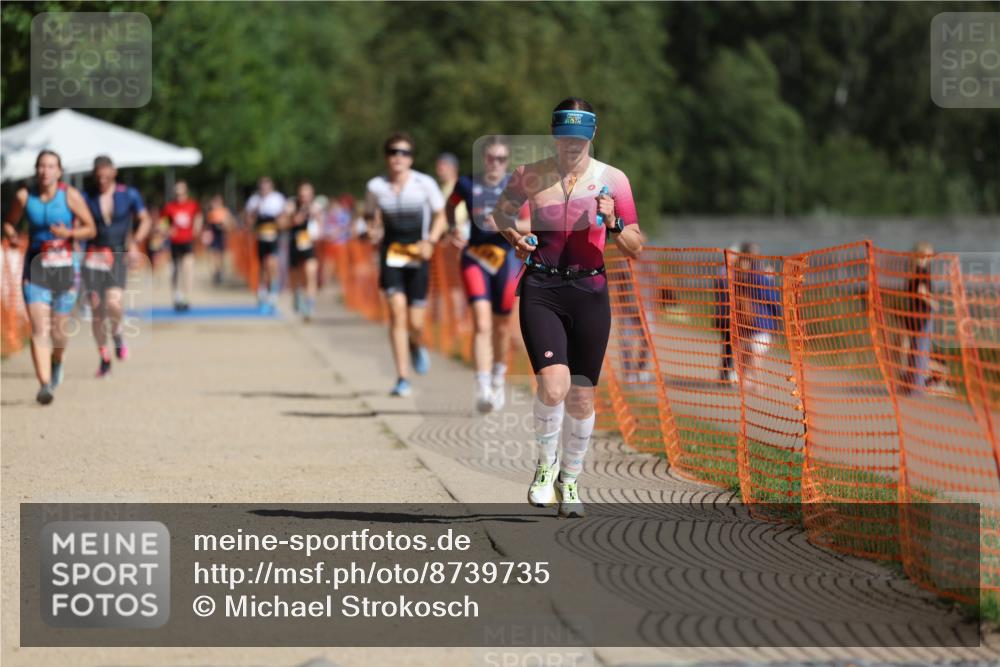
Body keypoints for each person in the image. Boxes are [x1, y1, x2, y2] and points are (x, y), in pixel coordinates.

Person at [491, 98, 645, 518]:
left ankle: (571, 478)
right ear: (554, 135)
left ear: (591, 135)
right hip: (542, 287)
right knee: (554, 386)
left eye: (578, 137)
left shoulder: (613, 180)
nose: (571, 145)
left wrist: (613, 222)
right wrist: (514, 240)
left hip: (590, 291)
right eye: (564, 137)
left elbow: (635, 247)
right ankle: (545, 469)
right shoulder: (530, 174)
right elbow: (500, 214)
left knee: (580, 398)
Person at [2, 150, 96, 404]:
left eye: (51, 166)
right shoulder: (24, 196)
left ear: (59, 171)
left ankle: (57, 360)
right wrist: (12, 234)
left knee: (59, 331)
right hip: (35, 268)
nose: (46, 171)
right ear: (36, 169)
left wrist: (69, 232)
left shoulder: (70, 196)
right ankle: (44, 385)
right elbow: (9, 222)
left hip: (65, 268)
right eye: (41, 166)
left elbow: (91, 228)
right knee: (38, 327)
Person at [447, 136, 529, 413]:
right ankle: (482, 386)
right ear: (484, 159)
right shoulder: (467, 183)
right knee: (481, 323)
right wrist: (452, 229)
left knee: (502, 325)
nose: (496, 163)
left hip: (506, 259)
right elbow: (450, 205)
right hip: (475, 258)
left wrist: (507, 223)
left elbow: (533, 221)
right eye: (492, 158)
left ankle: (497, 376)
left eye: (502, 159)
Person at [366, 132, 448, 397]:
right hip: (391, 256)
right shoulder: (375, 186)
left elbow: (441, 216)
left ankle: (416, 344)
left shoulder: (424, 183)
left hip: (417, 255)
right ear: (386, 156)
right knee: (396, 311)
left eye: (404, 153)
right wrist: (373, 229)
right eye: (393, 152)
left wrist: (431, 241)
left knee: (415, 322)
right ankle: (402, 377)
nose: (398, 157)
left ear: (411, 158)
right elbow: (370, 215)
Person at [81, 156, 152, 377]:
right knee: (96, 307)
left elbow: (145, 219)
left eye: (106, 175)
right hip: (93, 254)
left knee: (113, 302)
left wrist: (135, 242)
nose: (102, 180)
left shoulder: (128, 194)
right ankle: (104, 357)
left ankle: (118, 333)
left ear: (114, 172)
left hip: (118, 253)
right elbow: (78, 223)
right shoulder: (87, 196)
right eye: (98, 176)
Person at [732, 241, 782, 391]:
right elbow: (772, 298)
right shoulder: (759, 276)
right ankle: (757, 382)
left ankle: (745, 378)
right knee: (756, 354)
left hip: (745, 320)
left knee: (749, 352)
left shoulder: (738, 274)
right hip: (761, 321)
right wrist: (779, 317)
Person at [243, 177, 287, 312]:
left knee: (272, 263)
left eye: (267, 187)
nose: (265, 189)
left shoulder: (278, 199)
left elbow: (283, 221)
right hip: (260, 237)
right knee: (262, 265)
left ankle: (273, 289)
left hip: (273, 237)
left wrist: (278, 224)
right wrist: (255, 213)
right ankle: (262, 290)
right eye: (262, 187)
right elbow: (248, 221)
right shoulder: (254, 201)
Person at [900, 241, 937, 395]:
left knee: (914, 351)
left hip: (913, 314)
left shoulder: (912, 271)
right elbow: (921, 292)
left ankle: (911, 385)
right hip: (922, 315)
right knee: (921, 350)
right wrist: (933, 302)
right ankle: (917, 387)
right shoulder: (922, 271)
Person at [280, 181, 320, 320]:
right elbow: (281, 223)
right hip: (294, 244)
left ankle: (310, 305)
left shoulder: (316, 207)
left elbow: (321, 228)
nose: (305, 198)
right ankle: (296, 296)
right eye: (302, 195)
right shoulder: (291, 205)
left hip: (308, 244)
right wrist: (292, 220)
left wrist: (317, 219)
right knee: (296, 277)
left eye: (308, 195)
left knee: (311, 274)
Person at [160, 180, 202, 311]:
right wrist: (167, 230)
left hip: (187, 240)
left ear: (186, 192)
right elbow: (163, 222)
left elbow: (199, 216)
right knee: (175, 269)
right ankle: (176, 295)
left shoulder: (192, 205)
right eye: (177, 193)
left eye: (182, 192)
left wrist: (197, 227)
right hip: (174, 242)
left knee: (188, 268)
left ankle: (186, 297)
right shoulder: (169, 207)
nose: (179, 195)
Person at [204, 194, 234, 286]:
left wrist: (224, 225)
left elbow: (230, 224)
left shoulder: (225, 211)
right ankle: (216, 272)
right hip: (213, 235)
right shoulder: (210, 212)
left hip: (221, 235)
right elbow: (207, 225)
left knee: (220, 255)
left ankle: (220, 271)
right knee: (214, 254)